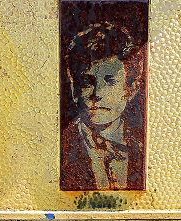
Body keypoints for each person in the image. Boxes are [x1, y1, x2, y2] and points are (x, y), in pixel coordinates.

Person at [60, 21, 145, 190]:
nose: (97, 94)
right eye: (86, 82)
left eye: (110, 81)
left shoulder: (141, 147)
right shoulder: (62, 148)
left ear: (131, 89)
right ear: (73, 88)